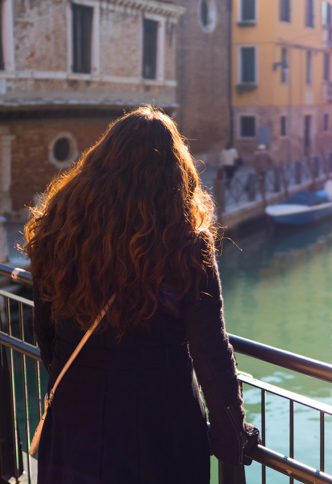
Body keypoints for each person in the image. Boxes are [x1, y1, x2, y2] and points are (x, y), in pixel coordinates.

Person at [25, 107, 259, 484]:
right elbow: (210, 347)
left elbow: (44, 329)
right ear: (175, 172)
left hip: (77, 411)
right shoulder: (185, 242)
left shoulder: (57, 228)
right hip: (161, 417)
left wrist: (77, 380)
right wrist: (232, 432)